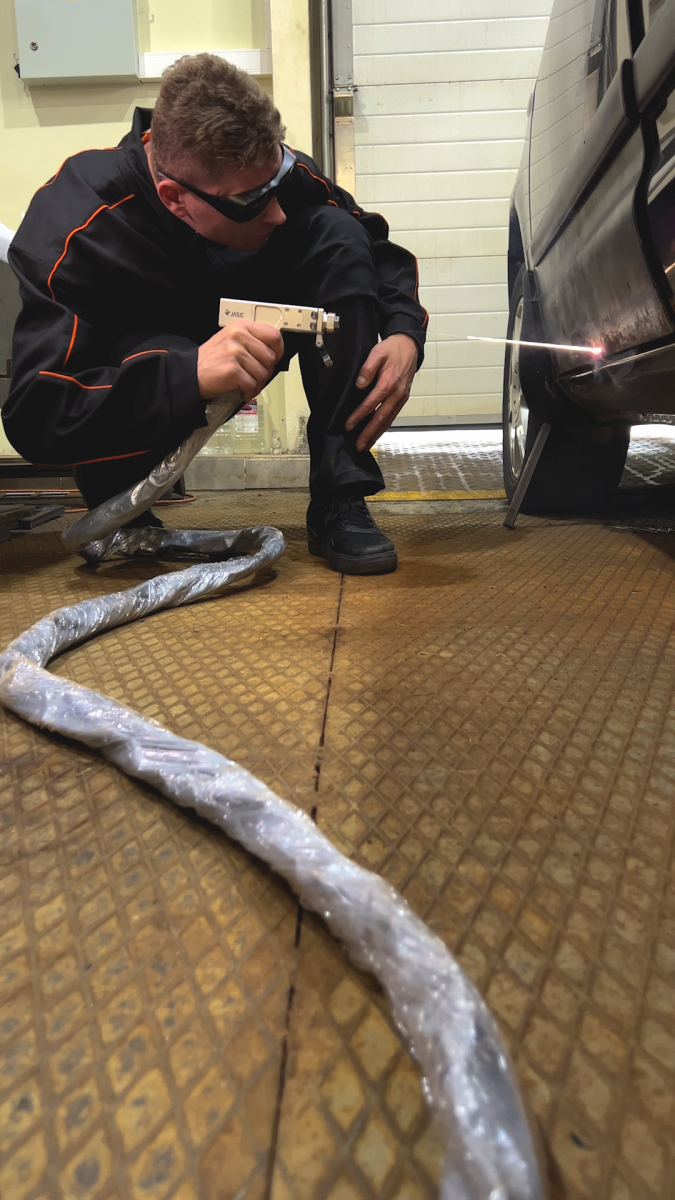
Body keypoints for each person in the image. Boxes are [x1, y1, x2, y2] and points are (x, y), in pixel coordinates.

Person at [2, 54, 428, 574]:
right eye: (251, 201)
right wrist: (186, 374)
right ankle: (122, 504)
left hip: (247, 329)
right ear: (175, 198)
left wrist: (404, 333)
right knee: (146, 354)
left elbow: (373, 244)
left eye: (278, 182)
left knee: (336, 234)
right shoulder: (75, 228)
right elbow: (35, 414)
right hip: (149, 385)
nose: (277, 212)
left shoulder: (262, 170)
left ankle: (340, 495)